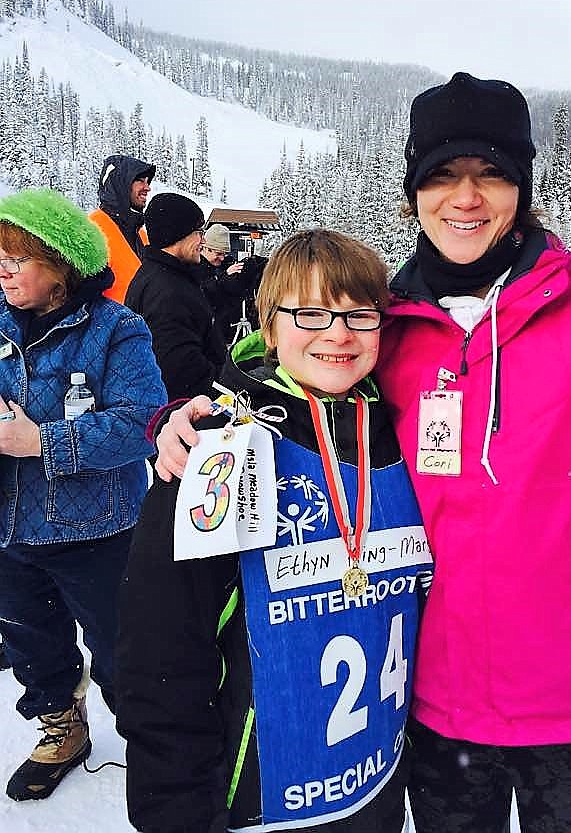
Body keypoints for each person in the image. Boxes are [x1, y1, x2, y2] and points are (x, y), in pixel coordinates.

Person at [155, 73, 571, 833]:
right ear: (414, 191)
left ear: (521, 185)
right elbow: (295, 388)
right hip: (434, 709)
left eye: (491, 173)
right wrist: (184, 416)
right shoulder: (389, 326)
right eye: (443, 175)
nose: (466, 197)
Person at [115, 229, 432, 833]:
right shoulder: (222, 443)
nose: (337, 335)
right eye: (309, 313)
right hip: (259, 797)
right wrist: (172, 802)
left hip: (378, 778)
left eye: (358, 315)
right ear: (267, 319)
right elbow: (161, 647)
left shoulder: (401, 430)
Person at [0, 187, 166, 802]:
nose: (3, 268)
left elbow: (140, 423)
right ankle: (61, 727)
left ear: (61, 264)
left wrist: (40, 441)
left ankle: (154, 740)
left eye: (17, 257)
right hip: (8, 528)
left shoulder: (117, 329)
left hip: (94, 533)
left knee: (126, 649)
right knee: (33, 643)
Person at [125, 192, 226, 401]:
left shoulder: (162, 276)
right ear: (177, 234)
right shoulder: (167, 292)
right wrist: (226, 389)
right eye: (198, 231)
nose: (203, 240)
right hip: (189, 415)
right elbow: (182, 374)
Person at [89, 154, 155, 302]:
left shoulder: (140, 233)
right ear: (120, 183)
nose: (147, 187)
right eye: (139, 180)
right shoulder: (93, 230)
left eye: (147, 181)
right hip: (110, 324)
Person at [199, 223, 259, 343]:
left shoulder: (223, 265)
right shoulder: (195, 268)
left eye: (225, 254)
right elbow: (203, 292)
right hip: (204, 333)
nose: (222, 258)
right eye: (219, 253)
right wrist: (224, 276)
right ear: (206, 248)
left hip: (223, 331)